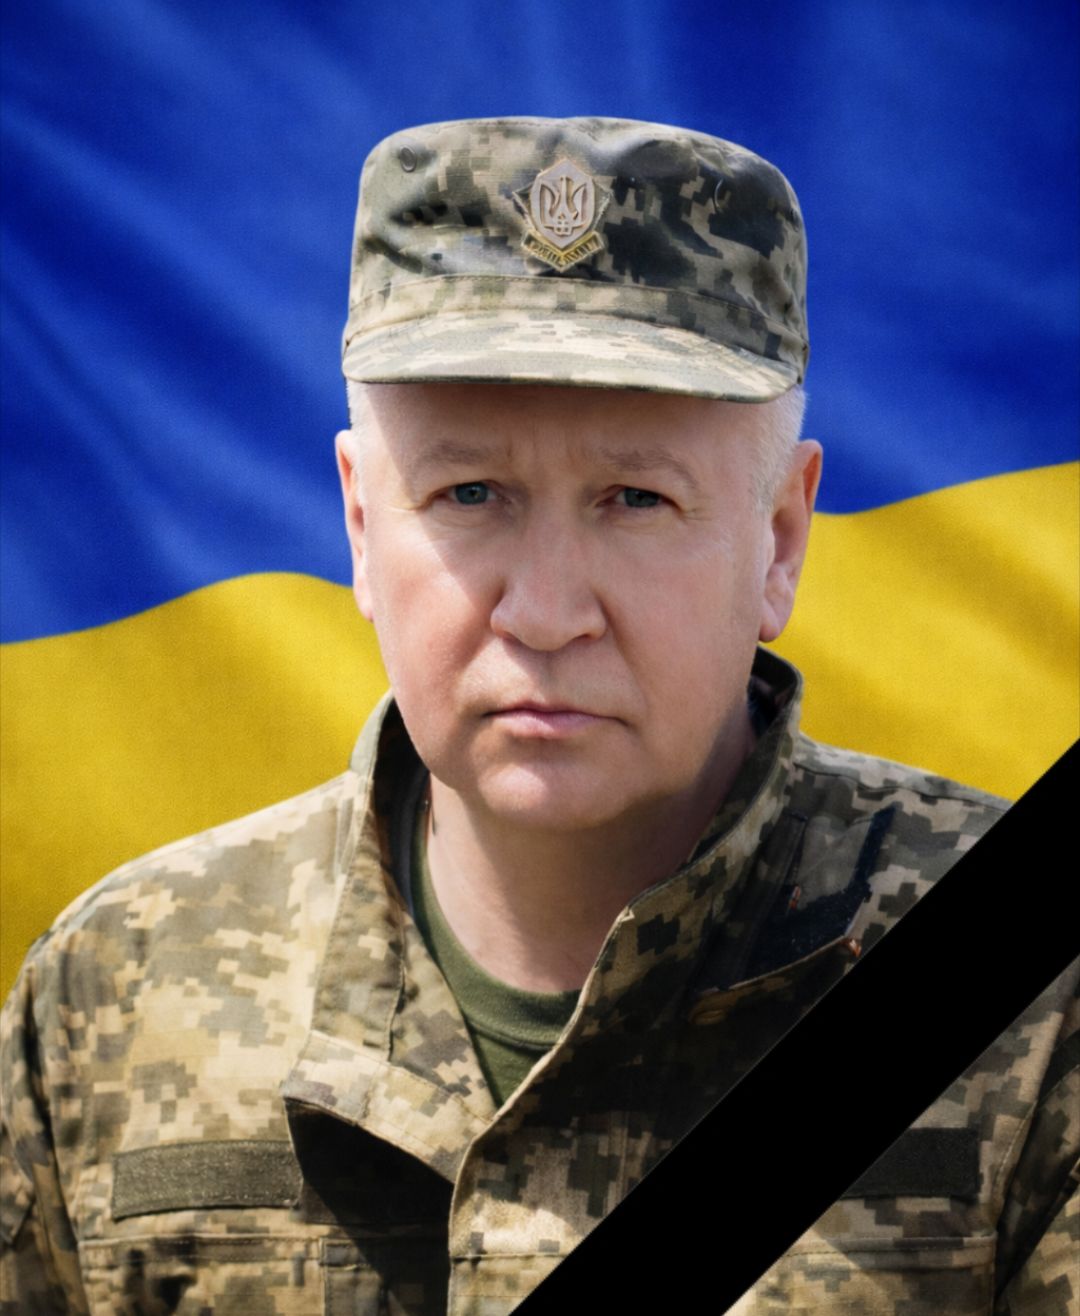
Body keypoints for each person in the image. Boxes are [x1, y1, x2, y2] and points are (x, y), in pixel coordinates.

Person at [1, 116, 1075, 1316]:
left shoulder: (1045, 1013)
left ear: (779, 539)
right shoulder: (112, 995)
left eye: (636, 497)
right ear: (360, 524)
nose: (550, 612)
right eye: (470, 492)